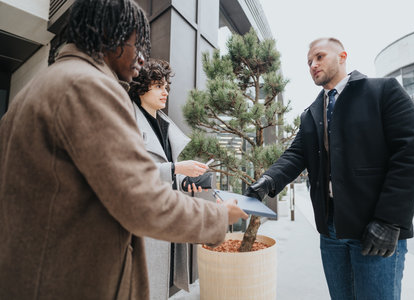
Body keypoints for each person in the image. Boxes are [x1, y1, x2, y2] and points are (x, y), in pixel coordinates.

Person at [0, 1, 248, 299]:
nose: (142, 59)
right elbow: (141, 199)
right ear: (109, 34)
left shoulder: (40, 87)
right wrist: (219, 216)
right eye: (137, 44)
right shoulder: (88, 87)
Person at [245, 37, 414, 299]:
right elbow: (296, 154)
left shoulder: (383, 91)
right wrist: (268, 181)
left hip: (375, 226)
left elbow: (411, 152)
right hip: (330, 231)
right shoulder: (311, 113)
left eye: (319, 57)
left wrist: (389, 220)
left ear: (342, 56)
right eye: (309, 62)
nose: (313, 65)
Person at [128, 59, 209, 299]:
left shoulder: (164, 125)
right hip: (141, 222)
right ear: (141, 87)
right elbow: (131, 173)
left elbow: (167, 173)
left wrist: (184, 180)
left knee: (159, 285)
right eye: (158, 86)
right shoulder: (128, 120)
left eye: (166, 86)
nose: (165, 92)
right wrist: (175, 168)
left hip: (165, 218)